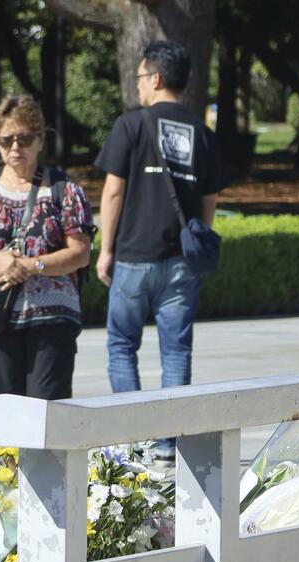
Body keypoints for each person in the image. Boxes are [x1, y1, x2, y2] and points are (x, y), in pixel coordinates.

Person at [94, 40, 221, 461]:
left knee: (120, 346)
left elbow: (113, 192)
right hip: (181, 262)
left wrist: (105, 249)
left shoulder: (131, 125)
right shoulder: (201, 132)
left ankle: (133, 442)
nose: (139, 86)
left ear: (157, 78)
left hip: (133, 255)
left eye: (140, 78)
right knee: (177, 352)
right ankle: (168, 446)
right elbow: (208, 203)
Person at [0, 94, 94, 400]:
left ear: (41, 140)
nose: (15, 147)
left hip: (53, 317)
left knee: (47, 411)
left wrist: (30, 266)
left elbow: (81, 252)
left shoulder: (64, 189)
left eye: (25, 138)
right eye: (7, 140)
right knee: (3, 411)